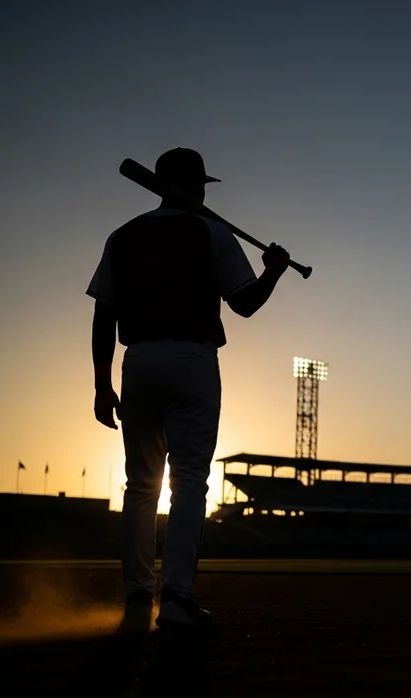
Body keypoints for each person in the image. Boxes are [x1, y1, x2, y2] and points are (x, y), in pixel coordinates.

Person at [87, 147, 291, 629]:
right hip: (193, 359)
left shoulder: (124, 235)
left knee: (140, 486)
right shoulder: (212, 232)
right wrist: (274, 271)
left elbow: (102, 314)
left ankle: (138, 598)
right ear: (196, 186)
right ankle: (176, 599)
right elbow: (244, 304)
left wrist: (100, 382)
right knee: (189, 485)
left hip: (136, 362)